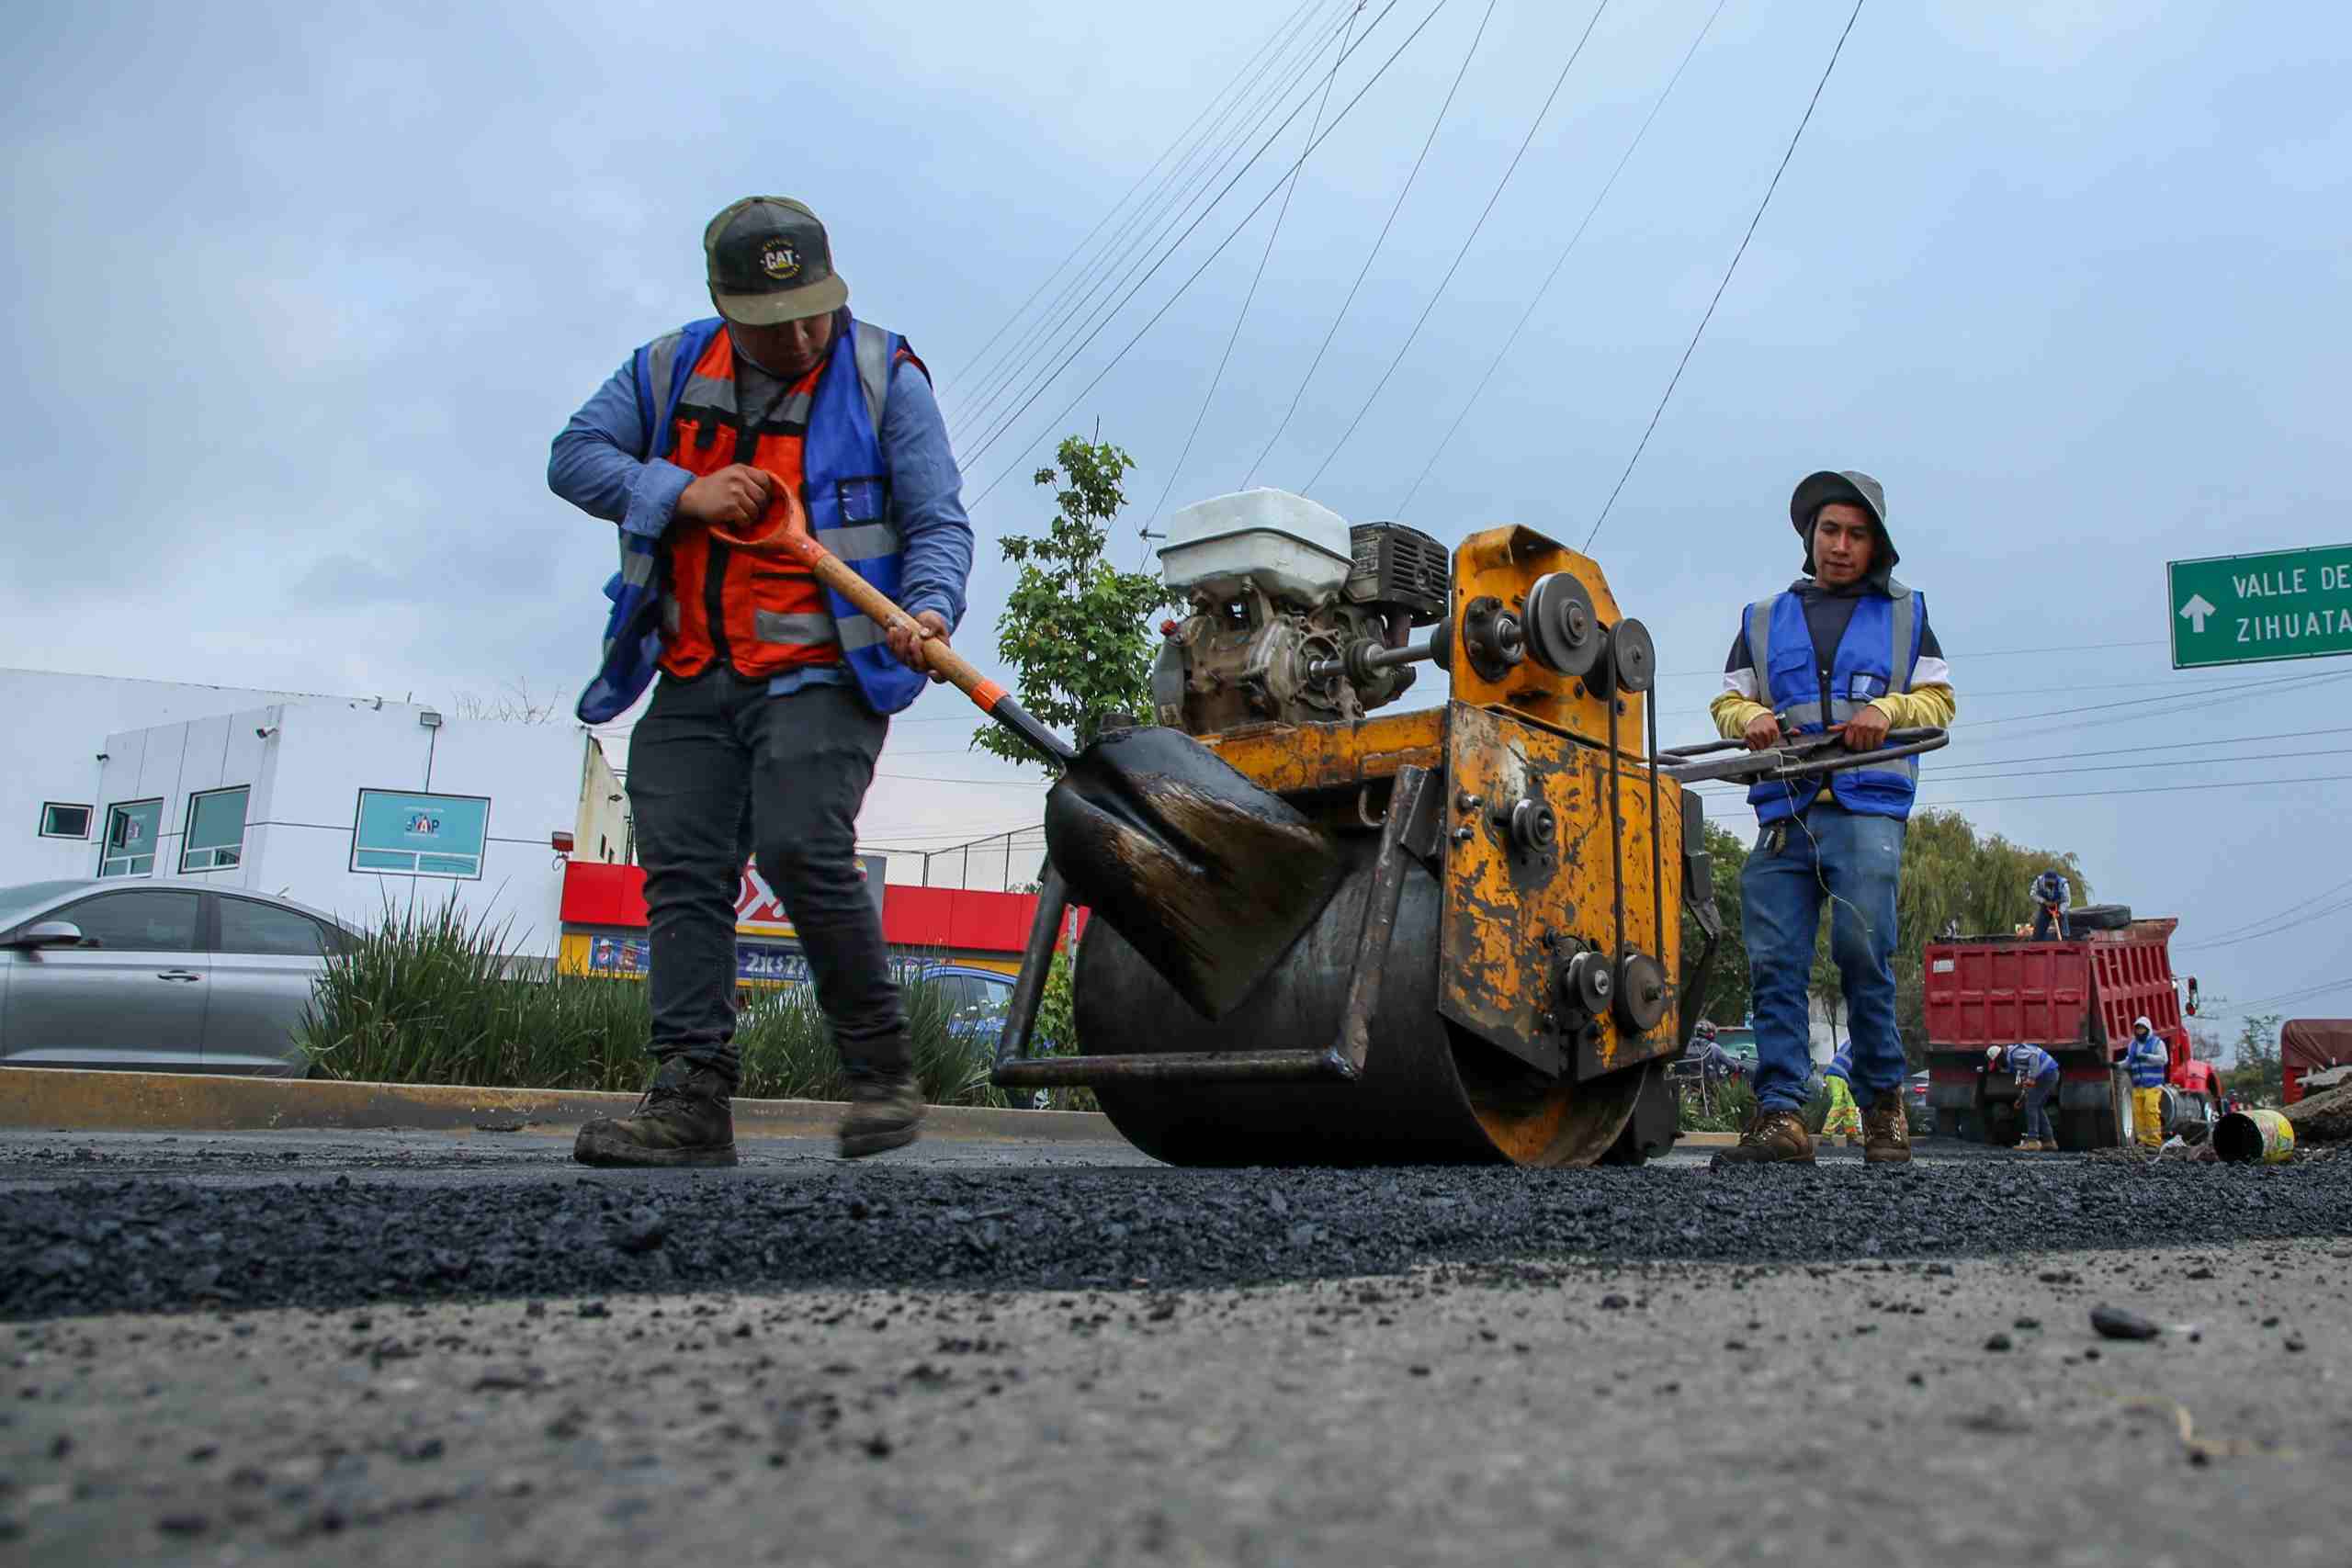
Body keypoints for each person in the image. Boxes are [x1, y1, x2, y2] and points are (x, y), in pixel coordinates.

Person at [548, 197, 975, 1166]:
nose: (797, 334)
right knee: (684, 879)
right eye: (770, 319)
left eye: (813, 310)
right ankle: (690, 1103)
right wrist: (681, 493)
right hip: (694, 672)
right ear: (722, 306)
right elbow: (573, 458)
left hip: (826, 671)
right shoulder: (664, 369)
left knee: (797, 848)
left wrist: (932, 609)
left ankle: (880, 1075)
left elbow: (938, 521)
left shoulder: (882, 376)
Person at [1709, 470, 1958, 1168]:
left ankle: (1883, 1105)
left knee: (1861, 952)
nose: (1840, 545)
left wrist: (1890, 710)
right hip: (1787, 812)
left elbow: (1939, 703)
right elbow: (1728, 703)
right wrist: (1752, 717)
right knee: (1775, 963)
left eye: (1855, 533)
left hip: (1866, 810)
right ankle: (1781, 1114)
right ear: (1809, 537)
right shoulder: (1763, 618)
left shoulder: (1907, 615)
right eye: (1829, 531)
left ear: (1876, 544)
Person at [1991, 1043, 2061, 1151]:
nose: (1999, 1067)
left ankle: (2032, 1141)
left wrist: (2032, 1078)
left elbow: (2034, 1056)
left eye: (1997, 1064)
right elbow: (2026, 1083)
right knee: (2037, 1106)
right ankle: (2049, 1141)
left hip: (2047, 1074)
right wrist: (2022, 1098)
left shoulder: (2014, 1054)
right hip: (2049, 1073)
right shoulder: (2014, 1063)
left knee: (2031, 1105)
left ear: (2000, 1057)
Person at [2124, 1015, 2169, 1151]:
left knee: (2150, 1110)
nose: (2140, 1031)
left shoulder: (2157, 1043)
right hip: (2139, 1085)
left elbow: (2163, 1059)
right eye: (2137, 1029)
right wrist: (2116, 1065)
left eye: (2142, 1029)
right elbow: (2128, 1061)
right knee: (2138, 1113)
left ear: (2148, 1029)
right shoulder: (2132, 1045)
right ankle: (2143, 1140)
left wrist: (2146, 1056)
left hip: (2153, 1085)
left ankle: (2155, 1142)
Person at [1820, 1044, 1862, 1147]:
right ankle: (1826, 1137)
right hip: (1839, 1076)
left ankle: (1851, 1138)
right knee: (1840, 1105)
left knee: (1850, 1107)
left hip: (1836, 1076)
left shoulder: (1853, 1040)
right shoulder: (1861, 1042)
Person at [2030, 868, 2071, 941]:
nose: (2050, 884)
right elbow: (2033, 894)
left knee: (2064, 917)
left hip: (2059, 905)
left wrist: (2060, 911)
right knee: (2040, 922)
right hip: (2045, 905)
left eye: (2052, 883)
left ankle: (2064, 938)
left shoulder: (2063, 884)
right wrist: (2044, 902)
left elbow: (2066, 900)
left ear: (2055, 880)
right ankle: (2037, 939)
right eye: (2048, 882)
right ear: (2045, 879)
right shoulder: (2038, 882)